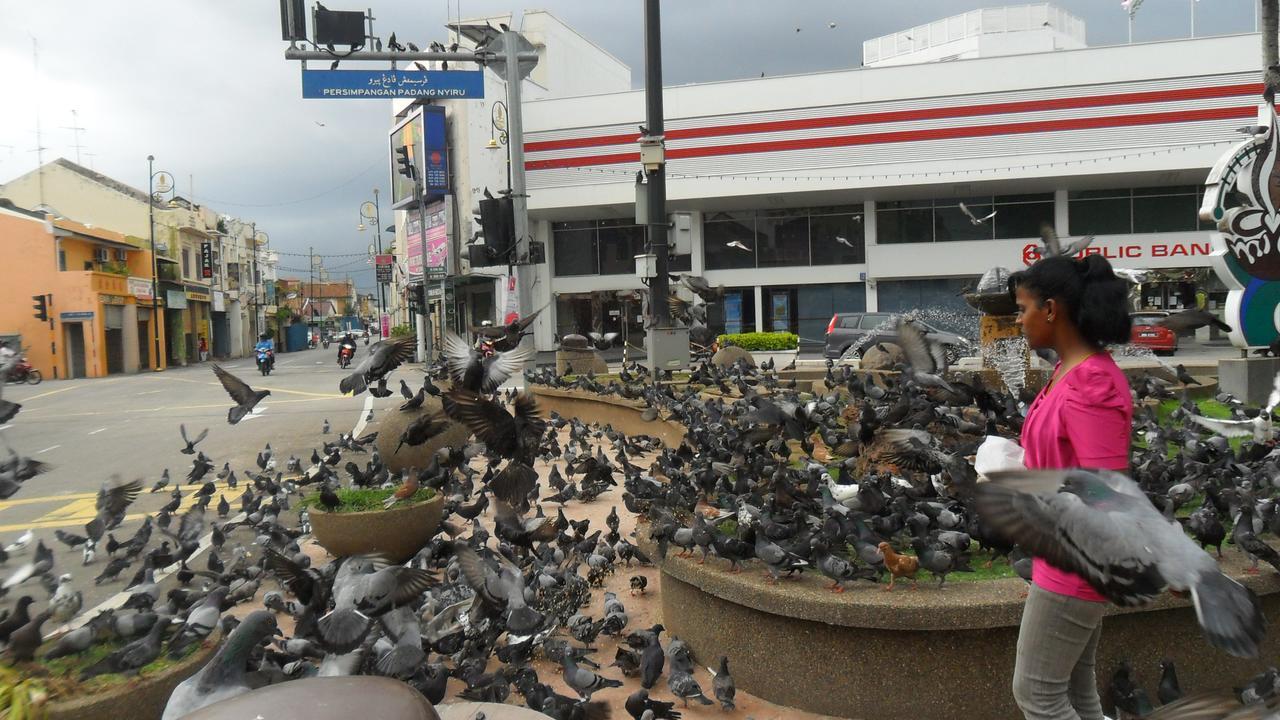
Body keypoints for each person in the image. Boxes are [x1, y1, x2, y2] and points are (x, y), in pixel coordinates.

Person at [1006, 254, 1133, 720]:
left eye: (1023, 308)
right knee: (1077, 694)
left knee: (1037, 695)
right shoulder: (1069, 371)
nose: (1019, 321)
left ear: (1052, 310)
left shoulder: (1092, 382)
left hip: (1076, 561)